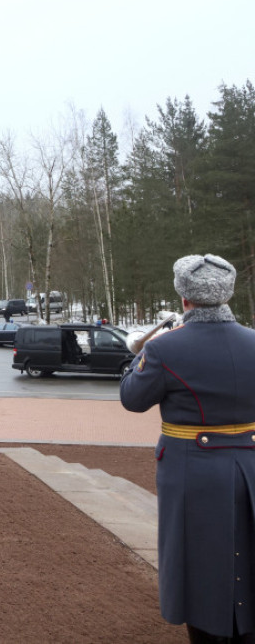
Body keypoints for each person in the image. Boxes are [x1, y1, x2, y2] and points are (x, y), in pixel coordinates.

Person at [121, 254, 255, 643]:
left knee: (196, 564)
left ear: (184, 299)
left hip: (191, 471)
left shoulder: (166, 349)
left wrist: (144, 354)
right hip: (249, 462)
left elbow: (132, 399)